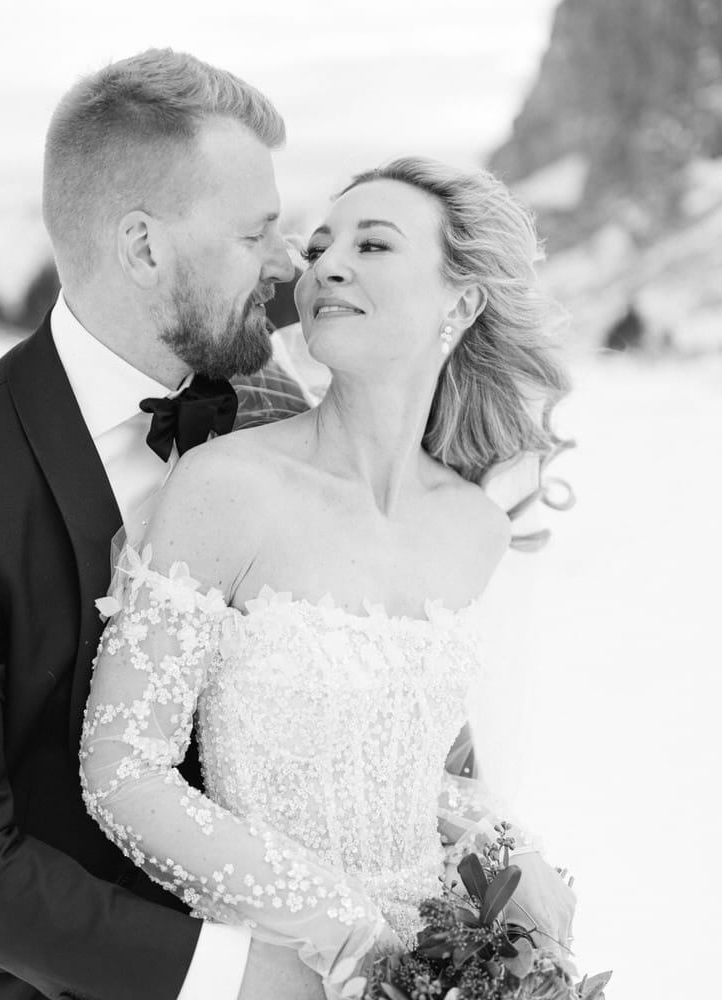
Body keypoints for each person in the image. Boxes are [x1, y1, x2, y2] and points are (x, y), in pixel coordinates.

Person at [0, 49, 322, 1000]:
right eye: (256, 232)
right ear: (143, 247)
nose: (285, 262)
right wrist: (233, 977)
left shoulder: (273, 410)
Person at [78, 157, 577, 998]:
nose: (326, 265)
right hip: (275, 968)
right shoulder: (223, 488)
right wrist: (339, 929)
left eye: (373, 244)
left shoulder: (477, 529)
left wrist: (511, 862)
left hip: (438, 965)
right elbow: (123, 770)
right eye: (318, 247)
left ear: (461, 303)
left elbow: (429, 768)